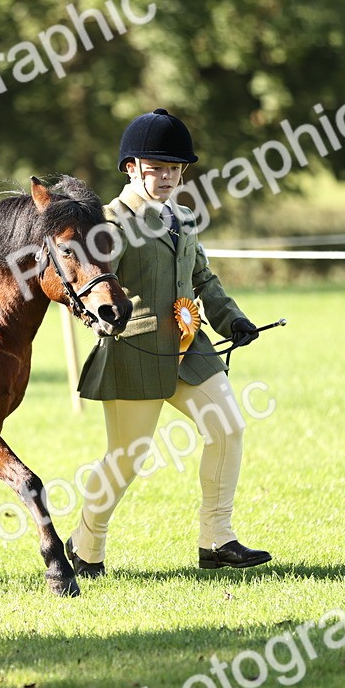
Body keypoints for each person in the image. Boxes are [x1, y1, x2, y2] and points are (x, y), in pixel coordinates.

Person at [67, 108, 271, 576]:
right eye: (156, 168)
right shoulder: (108, 223)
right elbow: (88, 284)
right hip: (134, 348)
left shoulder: (182, 216)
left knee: (228, 427)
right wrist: (97, 320)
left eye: (174, 169)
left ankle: (217, 540)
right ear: (131, 168)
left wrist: (232, 320)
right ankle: (85, 547)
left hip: (188, 345)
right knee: (126, 460)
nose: (166, 178)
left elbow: (201, 276)